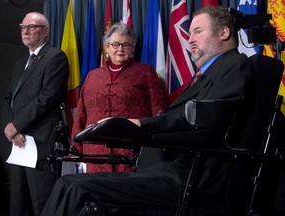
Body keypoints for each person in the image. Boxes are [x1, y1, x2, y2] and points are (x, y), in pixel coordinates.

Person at [41, 6, 255, 216]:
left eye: (198, 32)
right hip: (160, 167)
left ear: (224, 33)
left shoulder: (234, 65)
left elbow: (205, 120)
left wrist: (140, 125)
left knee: (75, 188)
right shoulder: (204, 75)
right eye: (189, 33)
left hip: (189, 176)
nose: (189, 40)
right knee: (67, 184)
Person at [71, 22, 169, 173]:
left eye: (126, 45)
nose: (120, 49)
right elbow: (81, 116)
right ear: (107, 47)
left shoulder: (145, 72)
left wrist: (157, 149)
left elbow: (159, 111)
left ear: (132, 48)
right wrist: (75, 151)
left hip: (132, 154)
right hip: (95, 156)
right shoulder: (92, 76)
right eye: (115, 44)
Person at [2, 12, 69, 216]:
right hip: (19, 144)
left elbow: (47, 98)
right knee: (18, 204)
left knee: (42, 205)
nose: (25, 31)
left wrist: (18, 125)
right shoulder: (21, 62)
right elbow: (9, 99)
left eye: (31, 27)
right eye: (23, 27)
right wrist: (10, 128)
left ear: (46, 31)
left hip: (41, 144)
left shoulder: (55, 57)